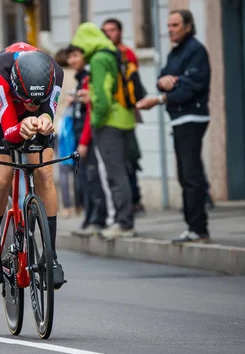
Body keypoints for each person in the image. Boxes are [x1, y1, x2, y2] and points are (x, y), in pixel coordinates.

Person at [0, 42, 66, 289]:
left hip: (29, 116)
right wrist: (21, 128)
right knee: (2, 178)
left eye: (37, 101)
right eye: (28, 100)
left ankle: (51, 256)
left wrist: (45, 120)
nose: (32, 104)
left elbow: (47, 112)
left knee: (44, 173)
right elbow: (8, 131)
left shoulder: (56, 72)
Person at [136, 9, 211, 243]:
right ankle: (193, 226)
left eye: (175, 25)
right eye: (168, 25)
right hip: (179, 118)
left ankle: (198, 228)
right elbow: (164, 77)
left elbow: (192, 85)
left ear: (188, 26)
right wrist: (163, 82)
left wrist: (165, 93)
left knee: (190, 175)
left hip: (192, 117)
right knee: (185, 174)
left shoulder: (195, 50)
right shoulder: (176, 52)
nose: (170, 30)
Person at [70, 22, 136, 240]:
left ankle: (123, 224)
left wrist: (96, 120)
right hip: (125, 119)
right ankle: (123, 221)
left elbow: (102, 97)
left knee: (115, 176)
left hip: (109, 123)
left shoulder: (99, 59)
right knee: (122, 173)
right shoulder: (113, 53)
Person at [101, 18, 146, 216]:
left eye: (112, 30)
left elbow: (133, 83)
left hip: (127, 113)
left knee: (130, 159)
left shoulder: (127, 54)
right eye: (106, 30)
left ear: (120, 31)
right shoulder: (103, 55)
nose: (109, 33)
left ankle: (136, 200)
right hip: (113, 116)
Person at [63, 44, 108, 236]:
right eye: (70, 57)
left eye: (75, 56)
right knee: (83, 179)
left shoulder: (89, 77)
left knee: (92, 177)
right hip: (80, 135)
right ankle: (89, 218)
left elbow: (91, 112)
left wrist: (84, 140)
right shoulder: (80, 79)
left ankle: (98, 219)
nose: (72, 60)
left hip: (87, 137)